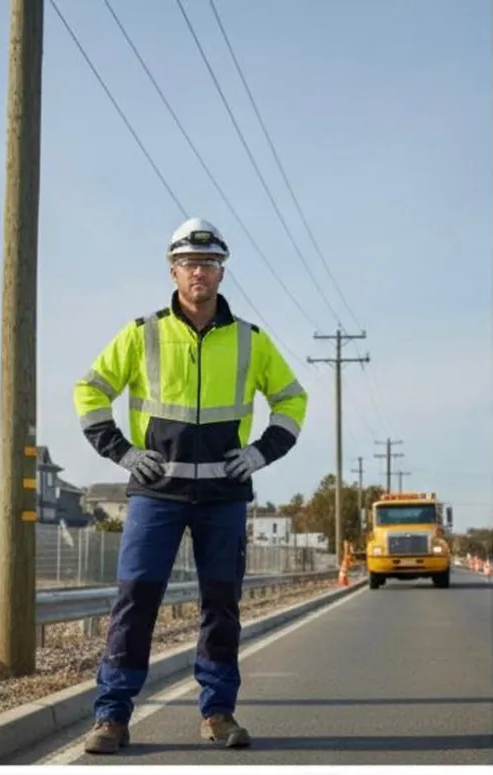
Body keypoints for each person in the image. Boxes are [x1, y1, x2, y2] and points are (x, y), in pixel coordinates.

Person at [73, 217, 309, 752]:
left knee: (220, 607)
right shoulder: (142, 334)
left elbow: (293, 401)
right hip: (156, 496)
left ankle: (219, 714)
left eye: (208, 263)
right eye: (188, 263)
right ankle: (111, 717)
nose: (198, 272)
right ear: (173, 271)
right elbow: (89, 392)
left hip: (223, 498)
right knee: (135, 601)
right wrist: (125, 452)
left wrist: (260, 452)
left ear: (222, 272)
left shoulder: (252, 340)